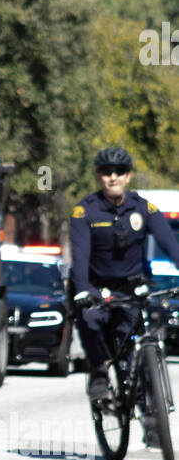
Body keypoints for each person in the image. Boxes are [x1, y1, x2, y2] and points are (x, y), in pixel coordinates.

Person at [70, 146, 179, 399]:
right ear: (99, 176)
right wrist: (83, 289)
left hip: (132, 286)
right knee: (90, 321)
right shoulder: (85, 210)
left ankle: (150, 418)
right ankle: (99, 372)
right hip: (96, 286)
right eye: (107, 172)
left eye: (119, 171)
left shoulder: (144, 208)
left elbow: (171, 246)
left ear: (128, 176)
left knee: (132, 347)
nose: (113, 177)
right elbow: (80, 256)